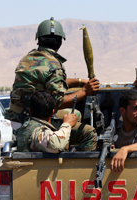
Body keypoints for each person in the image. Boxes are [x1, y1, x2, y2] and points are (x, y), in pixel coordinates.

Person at [6, 17, 99, 151]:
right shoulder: (54, 65)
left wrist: (79, 81)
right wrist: (85, 91)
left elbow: (49, 82)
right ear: (60, 42)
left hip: (18, 117)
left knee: (76, 114)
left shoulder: (27, 59)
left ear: (38, 40)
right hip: (33, 121)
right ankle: (71, 159)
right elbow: (57, 102)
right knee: (89, 133)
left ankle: (63, 144)